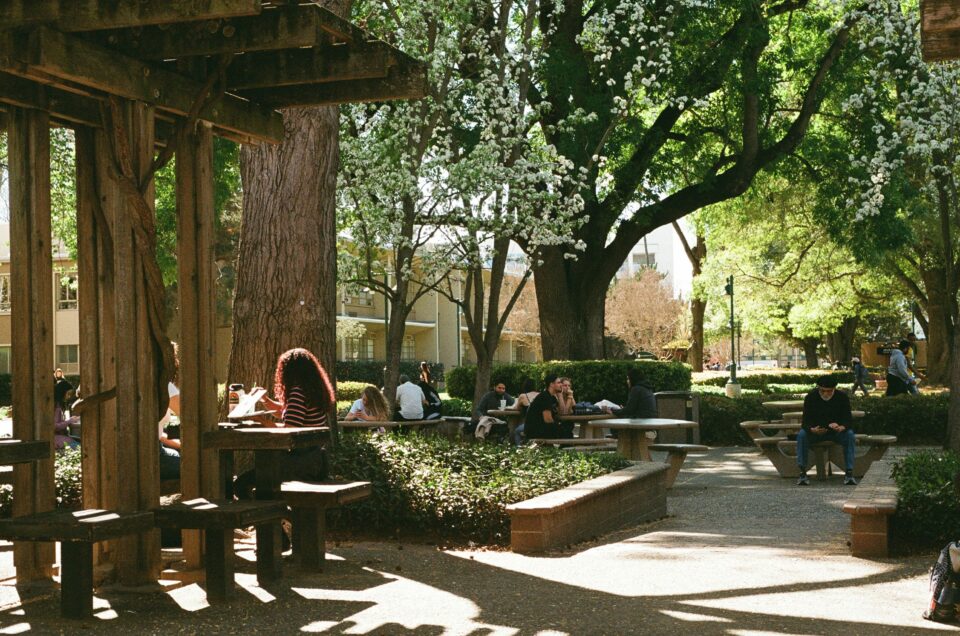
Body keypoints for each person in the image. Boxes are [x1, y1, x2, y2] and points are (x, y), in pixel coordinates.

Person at [235, 348, 333, 499]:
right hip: (315, 459)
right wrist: (265, 401)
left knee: (242, 484)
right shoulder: (312, 390)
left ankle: (268, 518)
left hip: (299, 463)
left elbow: (288, 432)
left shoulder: (298, 393)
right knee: (259, 483)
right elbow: (287, 412)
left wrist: (261, 420)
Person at [796, 376, 857, 486]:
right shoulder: (811, 397)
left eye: (829, 391)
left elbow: (848, 420)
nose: (825, 394)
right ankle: (802, 472)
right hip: (816, 432)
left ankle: (849, 472)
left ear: (834, 389)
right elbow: (805, 422)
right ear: (818, 388)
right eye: (822, 391)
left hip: (836, 433)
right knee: (801, 435)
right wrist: (812, 429)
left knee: (850, 435)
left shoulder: (842, 397)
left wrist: (841, 426)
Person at [523, 374, 573, 440]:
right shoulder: (544, 397)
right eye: (558, 383)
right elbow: (548, 419)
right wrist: (559, 427)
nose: (561, 385)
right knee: (566, 433)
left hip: (544, 428)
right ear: (551, 384)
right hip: (535, 430)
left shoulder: (552, 397)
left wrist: (560, 396)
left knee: (568, 426)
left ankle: (560, 449)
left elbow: (562, 413)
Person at [509, 378, 539, 445]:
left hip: (530, 424)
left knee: (517, 431)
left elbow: (516, 408)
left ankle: (519, 449)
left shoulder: (523, 396)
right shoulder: (541, 395)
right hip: (541, 424)